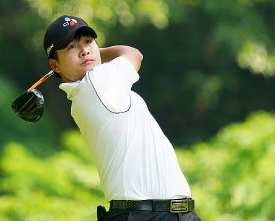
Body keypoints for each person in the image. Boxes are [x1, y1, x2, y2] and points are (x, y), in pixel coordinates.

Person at [43, 15, 202, 221]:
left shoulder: (89, 89)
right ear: (55, 65)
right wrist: (96, 54)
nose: (84, 50)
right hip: (144, 216)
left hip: (175, 214)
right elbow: (133, 54)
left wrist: (83, 56)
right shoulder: (97, 83)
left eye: (88, 41)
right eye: (71, 47)